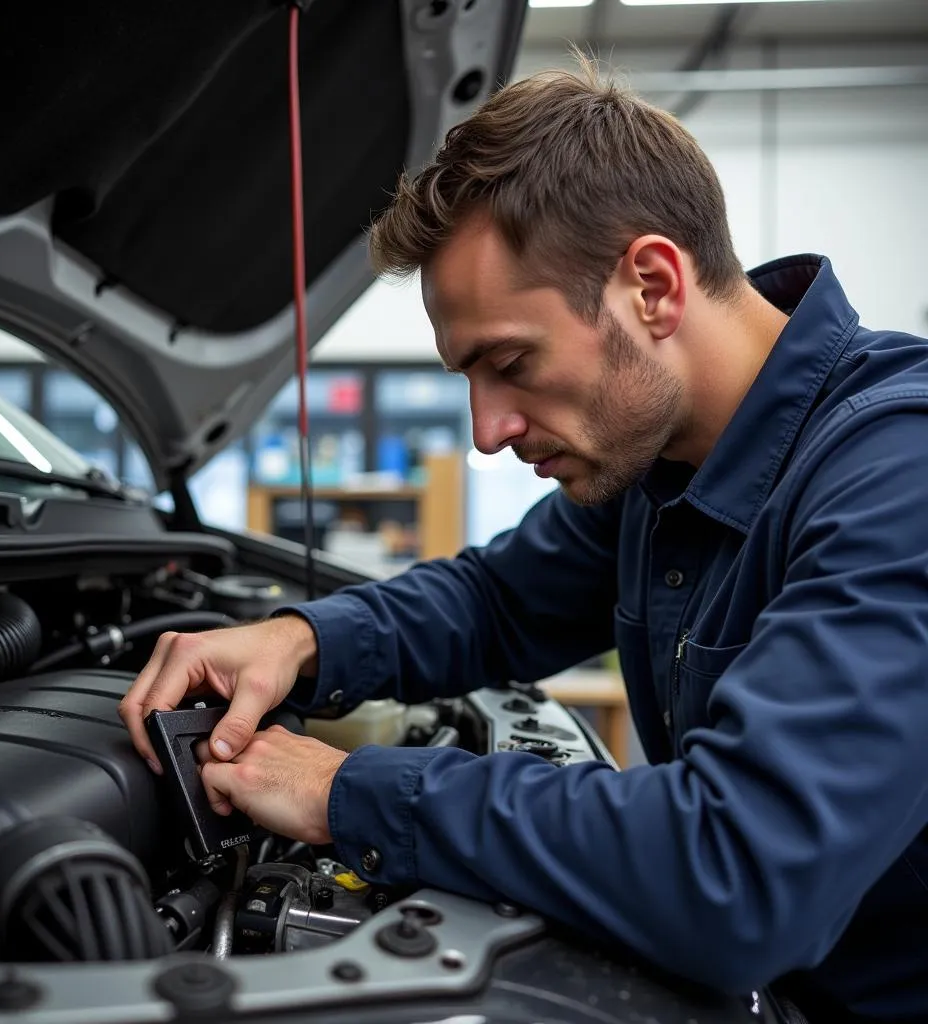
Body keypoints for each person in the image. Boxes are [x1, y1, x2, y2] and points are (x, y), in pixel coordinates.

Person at [119, 54, 928, 1023]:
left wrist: (348, 791)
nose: (485, 430)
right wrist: (301, 640)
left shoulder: (896, 477)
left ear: (653, 286)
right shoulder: (663, 461)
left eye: (509, 362)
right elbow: (496, 598)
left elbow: (740, 873)